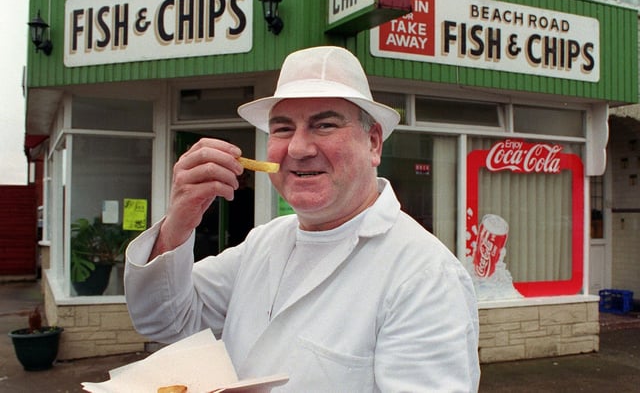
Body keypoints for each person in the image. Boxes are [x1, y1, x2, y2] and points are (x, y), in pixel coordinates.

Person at [124, 46, 480, 392]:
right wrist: (179, 223)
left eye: (324, 125)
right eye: (281, 129)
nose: (298, 148)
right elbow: (165, 319)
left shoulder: (425, 276)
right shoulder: (263, 243)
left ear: (373, 143)